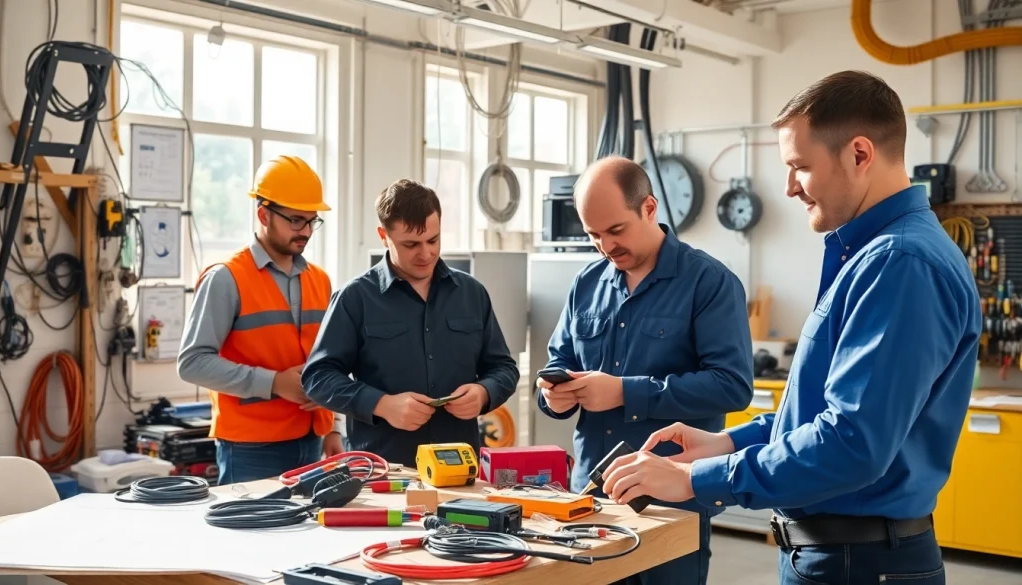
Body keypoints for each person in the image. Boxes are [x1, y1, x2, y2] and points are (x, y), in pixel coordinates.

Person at [602, 71, 982, 585]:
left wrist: (695, 478)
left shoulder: (900, 263)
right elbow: (824, 411)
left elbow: (851, 443)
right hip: (839, 557)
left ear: (860, 154)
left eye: (800, 167)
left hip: (859, 564)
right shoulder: (870, 256)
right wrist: (726, 443)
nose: (789, 188)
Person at [536, 157, 754, 585]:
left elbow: (732, 386)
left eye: (616, 230)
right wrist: (553, 396)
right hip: (591, 501)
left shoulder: (709, 282)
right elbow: (558, 364)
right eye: (594, 235)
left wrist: (625, 392)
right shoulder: (587, 284)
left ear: (649, 208)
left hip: (672, 504)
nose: (606, 246)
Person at [302, 179, 520, 467]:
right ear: (383, 236)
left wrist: (484, 393)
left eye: (433, 240)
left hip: (459, 469)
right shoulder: (355, 298)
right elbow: (318, 377)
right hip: (383, 471)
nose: (426, 254)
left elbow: (504, 369)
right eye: (411, 244)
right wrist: (381, 404)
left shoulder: (472, 293)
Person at [178, 155, 343, 485]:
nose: (306, 231)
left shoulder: (320, 281)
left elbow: (329, 360)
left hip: (312, 443)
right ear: (263, 214)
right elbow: (192, 363)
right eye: (296, 220)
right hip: (250, 450)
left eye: (312, 221)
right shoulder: (225, 279)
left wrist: (334, 427)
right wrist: (275, 383)